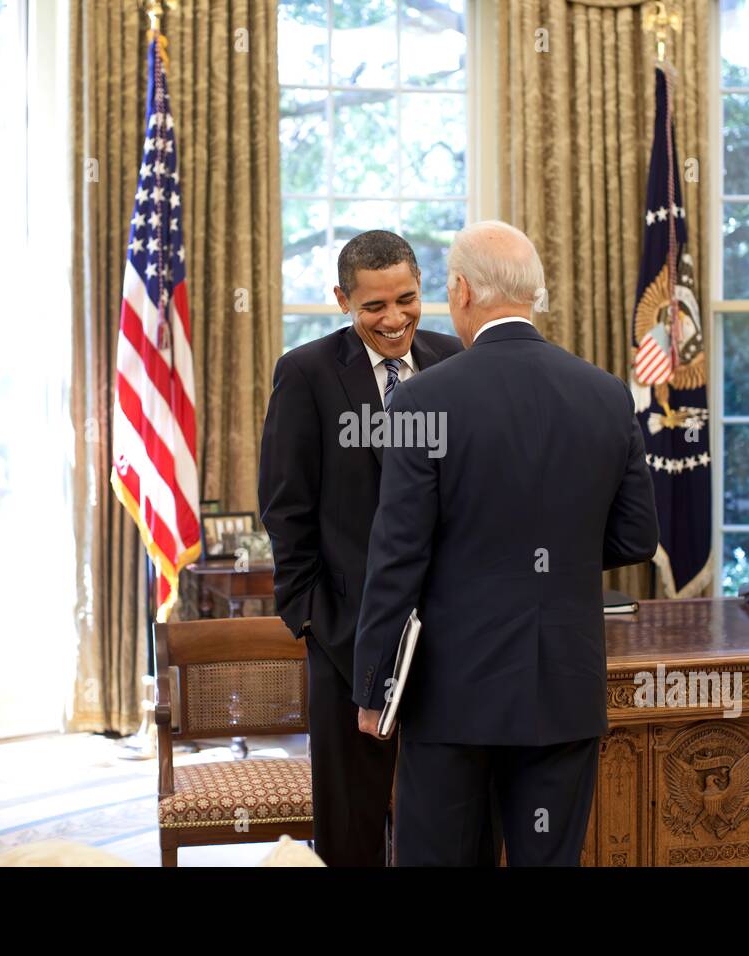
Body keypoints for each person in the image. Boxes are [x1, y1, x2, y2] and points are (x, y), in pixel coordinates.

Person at [352, 220, 659, 866]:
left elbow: (397, 559)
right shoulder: (607, 396)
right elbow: (637, 536)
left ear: (461, 291)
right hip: (565, 695)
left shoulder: (421, 402)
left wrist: (375, 685)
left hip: (453, 698)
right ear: (534, 293)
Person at [257, 230, 462, 866]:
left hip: (452, 636)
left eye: (405, 299)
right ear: (343, 299)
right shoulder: (307, 373)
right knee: (352, 822)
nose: (395, 319)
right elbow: (285, 506)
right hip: (346, 637)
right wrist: (311, 615)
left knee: (446, 815)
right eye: (374, 307)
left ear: (421, 287)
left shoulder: (457, 358)